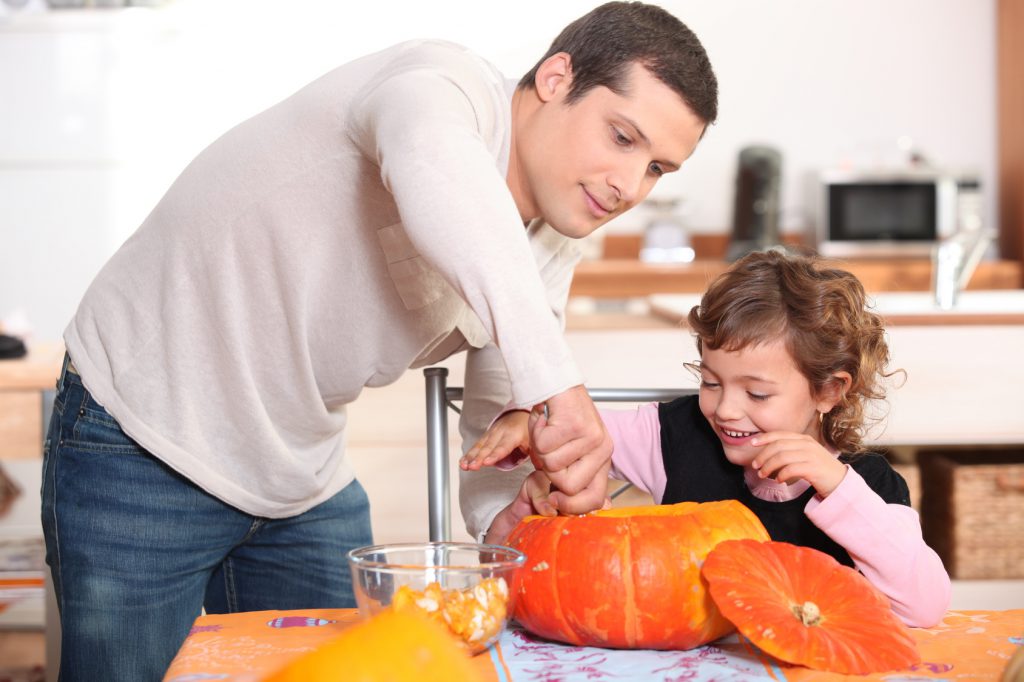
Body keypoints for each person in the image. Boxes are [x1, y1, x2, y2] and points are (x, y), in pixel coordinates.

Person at [42, 2, 718, 679]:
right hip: (142, 432)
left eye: (658, 168)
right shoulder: (437, 84)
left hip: (298, 472)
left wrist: (511, 522)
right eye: (623, 138)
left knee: (355, 670)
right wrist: (558, 384)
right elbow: (443, 182)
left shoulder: (551, 242)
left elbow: (500, 420)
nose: (631, 186)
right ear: (555, 77)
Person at [462, 249, 952, 628]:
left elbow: (924, 605)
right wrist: (529, 419)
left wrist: (835, 487)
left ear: (828, 390)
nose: (725, 409)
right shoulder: (674, 436)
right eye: (711, 382)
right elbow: (578, 428)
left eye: (757, 394)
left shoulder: (868, 489)